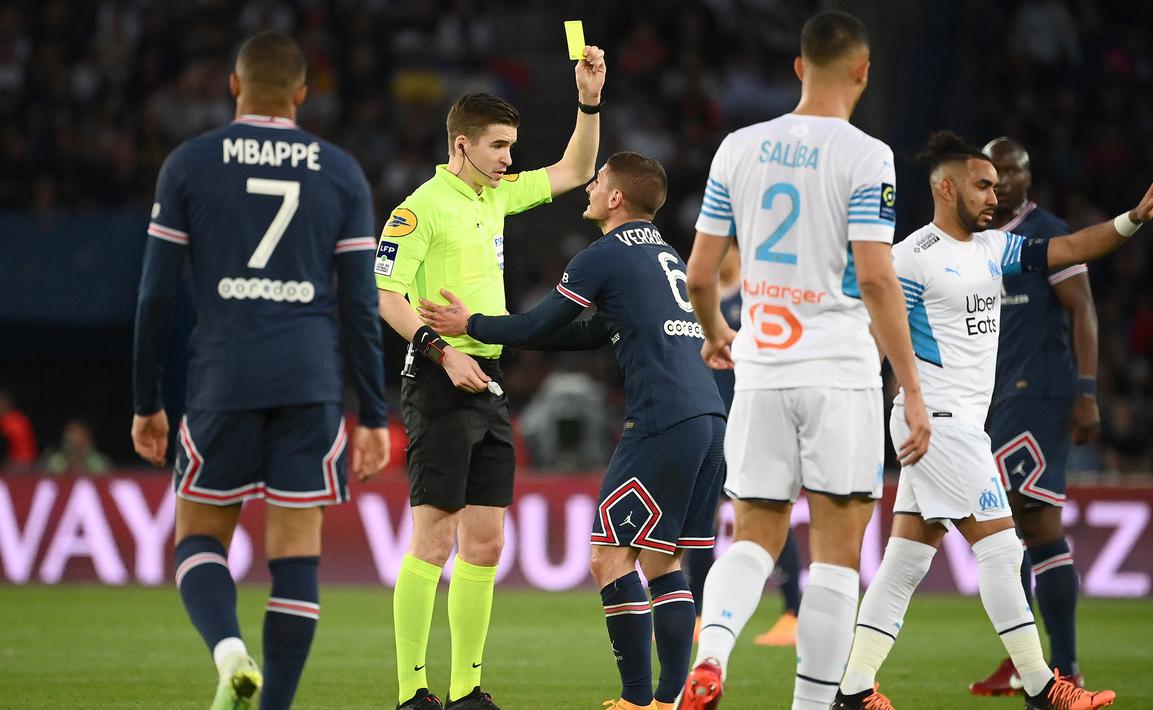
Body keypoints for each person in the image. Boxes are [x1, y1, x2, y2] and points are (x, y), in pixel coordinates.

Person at [832, 131, 1153, 710]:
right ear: (946, 187)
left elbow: (1071, 249)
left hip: (954, 424)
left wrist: (1134, 218)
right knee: (1001, 550)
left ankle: (853, 690)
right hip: (936, 423)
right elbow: (873, 330)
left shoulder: (993, 250)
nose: (996, 196)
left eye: (996, 185)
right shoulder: (911, 258)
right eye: (982, 185)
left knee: (905, 563)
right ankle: (1044, 689)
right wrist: (895, 401)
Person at [130, 32, 390, 710]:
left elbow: (155, 294)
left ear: (233, 85)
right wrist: (374, 412)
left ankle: (228, 653)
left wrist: (146, 399)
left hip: (224, 376)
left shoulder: (189, 163)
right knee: (296, 555)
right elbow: (361, 303)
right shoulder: (339, 172)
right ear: (303, 94)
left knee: (198, 537)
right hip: (309, 378)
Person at [681, 11, 932, 709]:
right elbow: (877, 279)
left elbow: (702, 275)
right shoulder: (866, 155)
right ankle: (811, 705)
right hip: (838, 372)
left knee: (753, 536)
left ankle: (712, 654)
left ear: (798, 67)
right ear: (861, 70)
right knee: (836, 551)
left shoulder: (737, 147)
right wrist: (909, 387)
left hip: (760, 367)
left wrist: (714, 333)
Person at [419, 151, 725, 710]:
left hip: (659, 419)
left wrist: (475, 326)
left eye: (599, 179)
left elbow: (542, 322)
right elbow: (589, 335)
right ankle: (669, 700)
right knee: (664, 561)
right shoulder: (665, 255)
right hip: (706, 417)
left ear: (615, 198)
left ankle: (637, 700)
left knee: (609, 558)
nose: (589, 184)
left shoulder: (604, 255)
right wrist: (507, 332)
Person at [373, 47, 607, 710]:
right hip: (439, 374)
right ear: (462, 144)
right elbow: (385, 295)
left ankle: (466, 687)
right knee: (435, 535)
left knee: (486, 539)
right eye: (499, 146)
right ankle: (412, 690)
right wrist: (442, 350)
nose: (509, 158)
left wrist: (587, 98)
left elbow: (576, 168)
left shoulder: (494, 195)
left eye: (511, 147)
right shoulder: (419, 210)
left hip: (490, 376)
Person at [968, 137, 1100, 695]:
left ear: (1027, 176)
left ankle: (1064, 667)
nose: (1002, 181)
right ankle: (1027, 663)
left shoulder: (1048, 232)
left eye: (1012, 171)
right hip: (992, 396)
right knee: (1008, 528)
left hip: (1038, 391)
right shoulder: (978, 237)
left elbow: (1083, 311)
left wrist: (1087, 391)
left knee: (1035, 521)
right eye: (993, 174)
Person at [684, 244, 803, 648]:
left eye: (723, 246)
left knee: (765, 514)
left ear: (737, 247)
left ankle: (794, 612)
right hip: (711, 428)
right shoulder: (699, 303)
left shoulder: (755, 295)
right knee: (701, 521)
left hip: (752, 426)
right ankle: (698, 614)